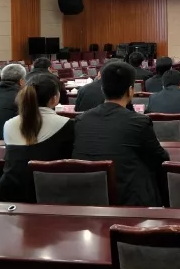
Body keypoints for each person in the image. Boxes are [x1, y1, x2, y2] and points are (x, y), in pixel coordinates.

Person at [73, 61, 170, 206]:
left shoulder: (81, 119)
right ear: (130, 90)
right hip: (127, 201)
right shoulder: (139, 121)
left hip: (87, 197)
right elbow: (160, 159)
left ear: (102, 88)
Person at [0, 72, 75, 203]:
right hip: (48, 194)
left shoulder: (9, 124)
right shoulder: (68, 124)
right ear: (54, 99)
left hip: (9, 193)